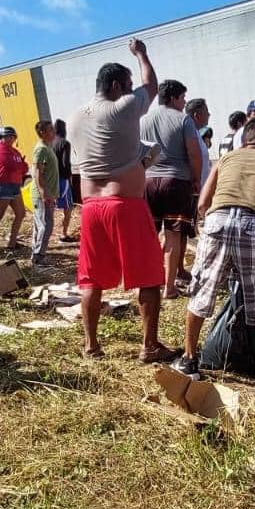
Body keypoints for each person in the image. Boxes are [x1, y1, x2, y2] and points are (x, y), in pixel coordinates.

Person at [70, 38, 174, 362]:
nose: (132, 91)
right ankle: (150, 346)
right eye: (127, 86)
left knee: (91, 277)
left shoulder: (75, 117)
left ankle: (91, 346)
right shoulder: (122, 106)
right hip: (124, 204)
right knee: (149, 275)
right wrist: (142, 53)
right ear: (116, 85)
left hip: (90, 207)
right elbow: (151, 85)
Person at [172, 117, 255, 389]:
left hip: (217, 221)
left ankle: (190, 360)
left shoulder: (226, 159)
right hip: (254, 224)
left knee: (202, 292)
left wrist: (211, 227)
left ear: (243, 141)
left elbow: (203, 203)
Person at [140, 79, 204, 299]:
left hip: (148, 181)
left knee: (150, 235)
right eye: (183, 98)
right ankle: (169, 287)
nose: (184, 102)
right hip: (176, 181)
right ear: (175, 97)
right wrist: (196, 178)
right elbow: (194, 153)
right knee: (173, 235)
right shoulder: (183, 119)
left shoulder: (144, 120)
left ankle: (150, 281)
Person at [0, 127, 28, 253]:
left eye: (13, 136)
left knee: (21, 213)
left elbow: (24, 168)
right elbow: (11, 165)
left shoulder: (14, 151)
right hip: (2, 185)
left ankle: (12, 242)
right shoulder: (0, 149)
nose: (11, 138)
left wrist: (21, 165)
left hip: (14, 185)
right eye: (8, 136)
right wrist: (21, 165)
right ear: (2, 137)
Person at [29, 120, 62, 266]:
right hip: (42, 195)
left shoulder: (47, 148)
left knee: (41, 224)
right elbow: (37, 173)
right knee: (46, 225)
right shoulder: (41, 149)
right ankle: (39, 256)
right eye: (50, 130)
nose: (53, 132)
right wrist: (44, 193)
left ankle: (37, 253)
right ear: (42, 132)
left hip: (47, 194)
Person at [51, 118, 76, 242]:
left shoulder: (50, 143)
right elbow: (66, 163)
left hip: (51, 179)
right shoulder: (64, 143)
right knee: (68, 208)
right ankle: (63, 234)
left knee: (51, 208)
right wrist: (69, 177)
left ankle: (47, 233)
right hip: (62, 179)